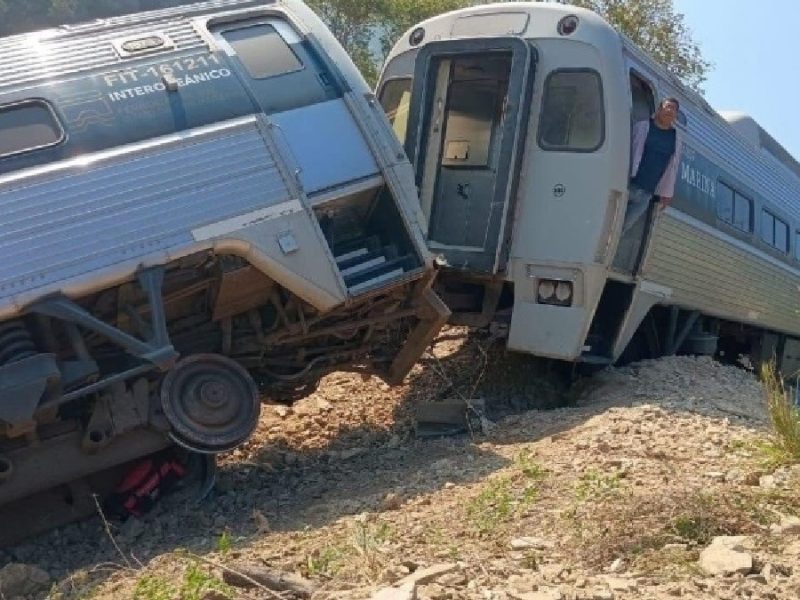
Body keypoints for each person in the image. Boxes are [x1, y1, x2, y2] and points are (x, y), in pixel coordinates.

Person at [622, 97, 684, 233]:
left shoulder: (676, 139)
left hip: (646, 194)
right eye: (667, 106)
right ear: (659, 109)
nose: (670, 110)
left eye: (674, 109)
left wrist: (667, 193)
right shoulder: (642, 127)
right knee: (610, 221)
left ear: (676, 115)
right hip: (626, 183)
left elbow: (672, 168)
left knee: (623, 228)